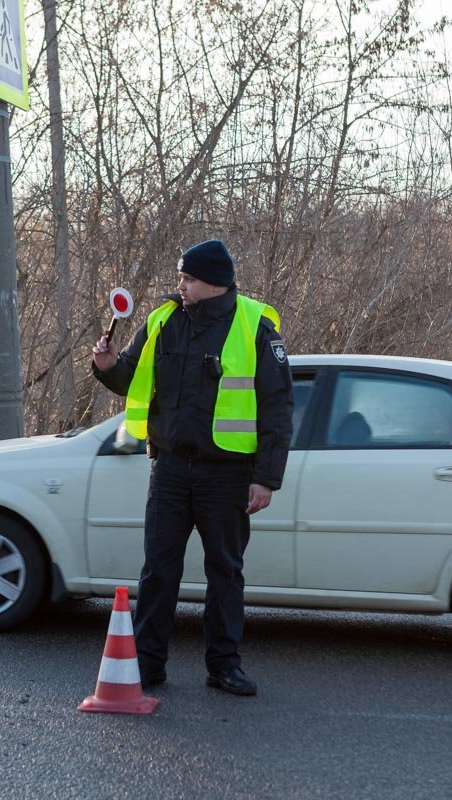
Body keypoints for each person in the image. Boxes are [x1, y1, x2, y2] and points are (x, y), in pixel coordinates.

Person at [91, 239, 293, 696]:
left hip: (227, 474)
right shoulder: (163, 320)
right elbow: (129, 378)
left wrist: (265, 478)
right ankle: (147, 664)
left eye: (189, 279)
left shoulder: (256, 325)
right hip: (168, 469)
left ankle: (224, 666)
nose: (180, 285)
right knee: (158, 570)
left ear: (214, 283)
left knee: (225, 571)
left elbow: (278, 407)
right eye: (181, 277)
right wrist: (104, 366)